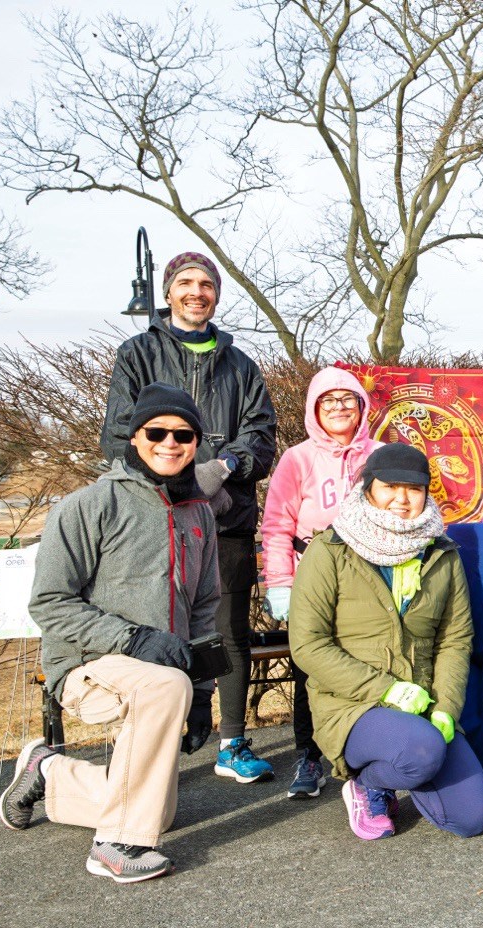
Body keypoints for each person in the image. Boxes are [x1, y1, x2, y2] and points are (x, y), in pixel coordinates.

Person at [3, 385, 217, 883]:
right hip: (86, 665)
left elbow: (204, 608)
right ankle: (114, 845)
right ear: (135, 437)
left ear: (195, 443)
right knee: (165, 688)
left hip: (163, 677)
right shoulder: (88, 505)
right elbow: (50, 603)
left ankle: (49, 772)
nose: (170, 442)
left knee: (155, 813)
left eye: (182, 434)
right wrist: (133, 640)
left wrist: (203, 691)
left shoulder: (200, 512)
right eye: (157, 432)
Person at [100, 252, 279, 786]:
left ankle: (231, 742)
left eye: (206, 284)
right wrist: (174, 478)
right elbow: (117, 436)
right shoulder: (137, 354)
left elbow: (262, 437)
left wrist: (224, 467)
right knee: (150, 627)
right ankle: (146, 749)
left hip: (225, 522)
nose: (196, 291)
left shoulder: (242, 365)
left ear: (216, 295)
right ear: (168, 291)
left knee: (227, 632)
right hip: (151, 520)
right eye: (185, 283)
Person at [288, 444, 483, 841]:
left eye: (414, 489)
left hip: (423, 704)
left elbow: (455, 638)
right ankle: (368, 785)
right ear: (368, 488)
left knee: (469, 819)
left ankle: (401, 766)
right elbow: (308, 645)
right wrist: (388, 690)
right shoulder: (330, 550)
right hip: (351, 704)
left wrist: (447, 707)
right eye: (390, 486)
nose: (402, 498)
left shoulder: (440, 553)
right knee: (421, 752)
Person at [260, 368, 382, 799]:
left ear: (362, 406)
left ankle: (369, 759)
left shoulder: (381, 454)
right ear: (314, 409)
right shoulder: (297, 458)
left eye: (347, 399)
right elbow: (276, 525)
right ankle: (308, 756)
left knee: (370, 665)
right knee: (310, 669)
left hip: (371, 581)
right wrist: (280, 583)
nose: (338, 408)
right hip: (311, 579)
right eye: (328, 401)